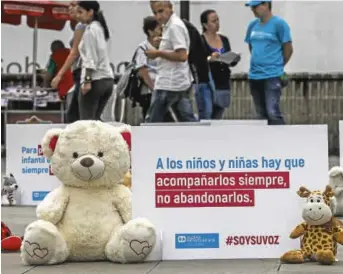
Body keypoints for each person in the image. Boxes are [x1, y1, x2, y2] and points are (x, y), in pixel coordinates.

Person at [145, 0, 197, 123]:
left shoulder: (174, 26)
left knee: (152, 122)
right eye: (155, 12)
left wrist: (157, 53)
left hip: (168, 84)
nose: (158, 16)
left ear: (170, 7)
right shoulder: (170, 25)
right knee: (187, 121)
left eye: (161, 11)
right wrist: (161, 45)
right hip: (178, 82)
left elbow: (182, 55)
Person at [244, 0, 293, 125]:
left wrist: (278, 65)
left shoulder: (279, 24)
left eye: (255, 7)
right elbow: (251, 46)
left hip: (272, 75)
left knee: (272, 112)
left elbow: (288, 48)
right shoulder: (252, 25)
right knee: (260, 114)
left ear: (266, 5)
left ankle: (282, 139)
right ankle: (265, 142)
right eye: (252, 7)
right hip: (254, 75)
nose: (253, 10)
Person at [76, 1, 114, 120]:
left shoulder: (90, 31)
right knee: (96, 121)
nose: (77, 15)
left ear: (90, 12)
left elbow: (90, 58)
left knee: (87, 121)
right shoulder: (100, 29)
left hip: (95, 80)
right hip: (108, 79)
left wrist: (87, 80)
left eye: (80, 12)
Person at [51, 1, 87, 123]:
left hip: (83, 73)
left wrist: (59, 75)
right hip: (80, 75)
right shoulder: (89, 26)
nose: (69, 8)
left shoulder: (82, 26)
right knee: (80, 113)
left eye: (73, 5)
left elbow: (74, 53)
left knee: (76, 115)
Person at [200, 9, 236, 120]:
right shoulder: (200, 40)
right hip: (208, 82)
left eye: (218, 20)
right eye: (213, 21)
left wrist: (232, 58)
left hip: (223, 81)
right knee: (207, 114)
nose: (217, 23)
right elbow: (196, 61)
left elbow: (229, 58)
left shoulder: (224, 39)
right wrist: (210, 59)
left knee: (218, 114)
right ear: (205, 25)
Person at [134, 16, 162, 119]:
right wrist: (153, 88)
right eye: (159, 29)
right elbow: (142, 71)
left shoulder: (163, 46)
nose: (161, 32)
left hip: (163, 88)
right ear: (150, 32)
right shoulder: (143, 48)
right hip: (150, 91)